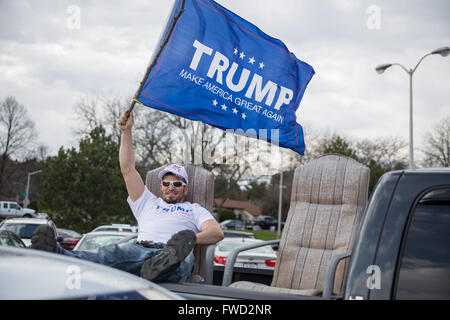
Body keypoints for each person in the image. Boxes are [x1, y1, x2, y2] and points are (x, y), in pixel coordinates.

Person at [31, 110, 224, 283]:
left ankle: (162, 265)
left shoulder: (194, 209)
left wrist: (188, 240)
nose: (171, 187)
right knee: (108, 256)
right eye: (166, 183)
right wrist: (126, 132)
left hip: (176, 254)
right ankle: (55, 253)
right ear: (161, 186)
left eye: (177, 184)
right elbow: (128, 169)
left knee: (180, 262)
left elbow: (216, 233)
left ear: (186, 189)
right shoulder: (147, 202)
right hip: (141, 249)